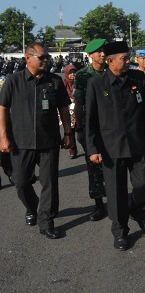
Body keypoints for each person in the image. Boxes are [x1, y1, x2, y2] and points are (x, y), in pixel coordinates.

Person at [85, 41, 145, 251]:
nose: (128, 61)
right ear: (110, 61)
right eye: (124, 58)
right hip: (110, 146)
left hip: (137, 142)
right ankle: (120, 231)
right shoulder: (96, 84)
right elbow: (90, 119)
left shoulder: (137, 77)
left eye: (128, 57)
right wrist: (92, 148)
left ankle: (137, 210)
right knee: (116, 193)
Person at [0, 43, 74, 239]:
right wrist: (3, 136)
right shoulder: (13, 81)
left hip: (48, 141)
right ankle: (33, 208)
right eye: (42, 57)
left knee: (49, 183)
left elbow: (64, 109)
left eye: (47, 57)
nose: (46, 60)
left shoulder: (55, 82)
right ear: (28, 58)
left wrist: (68, 134)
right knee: (21, 182)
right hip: (20, 142)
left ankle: (46, 221)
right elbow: (3, 109)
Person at [73, 38, 108, 222]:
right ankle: (98, 204)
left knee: (113, 161)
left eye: (104, 51)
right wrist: (78, 127)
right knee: (93, 165)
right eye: (99, 52)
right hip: (90, 125)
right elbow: (78, 102)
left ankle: (116, 196)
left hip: (111, 124)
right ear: (90, 56)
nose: (103, 54)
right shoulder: (82, 75)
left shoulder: (112, 71)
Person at [63, 64, 79, 159]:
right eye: (70, 73)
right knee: (71, 132)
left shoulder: (79, 82)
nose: (73, 75)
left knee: (81, 132)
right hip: (68, 112)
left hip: (79, 109)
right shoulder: (63, 83)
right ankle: (73, 150)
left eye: (74, 72)